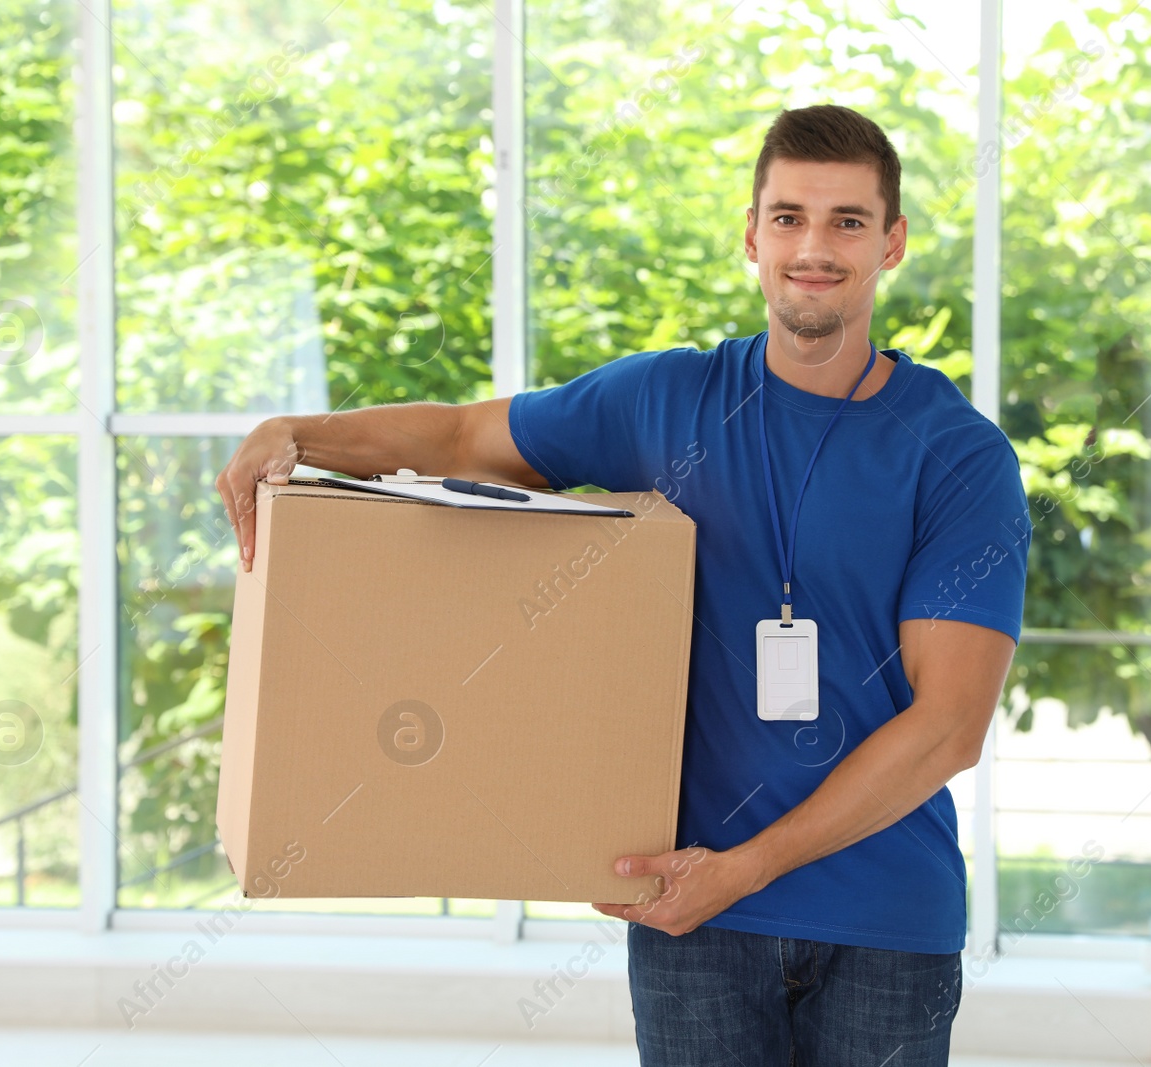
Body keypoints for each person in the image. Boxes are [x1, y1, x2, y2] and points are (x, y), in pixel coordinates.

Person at [218, 103, 1029, 1066]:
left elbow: (949, 727)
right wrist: (303, 435)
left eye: (847, 221)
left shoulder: (958, 454)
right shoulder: (664, 399)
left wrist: (745, 870)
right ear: (751, 234)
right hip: (686, 912)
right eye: (788, 217)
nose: (814, 246)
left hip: (884, 919)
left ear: (892, 243)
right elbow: (466, 436)